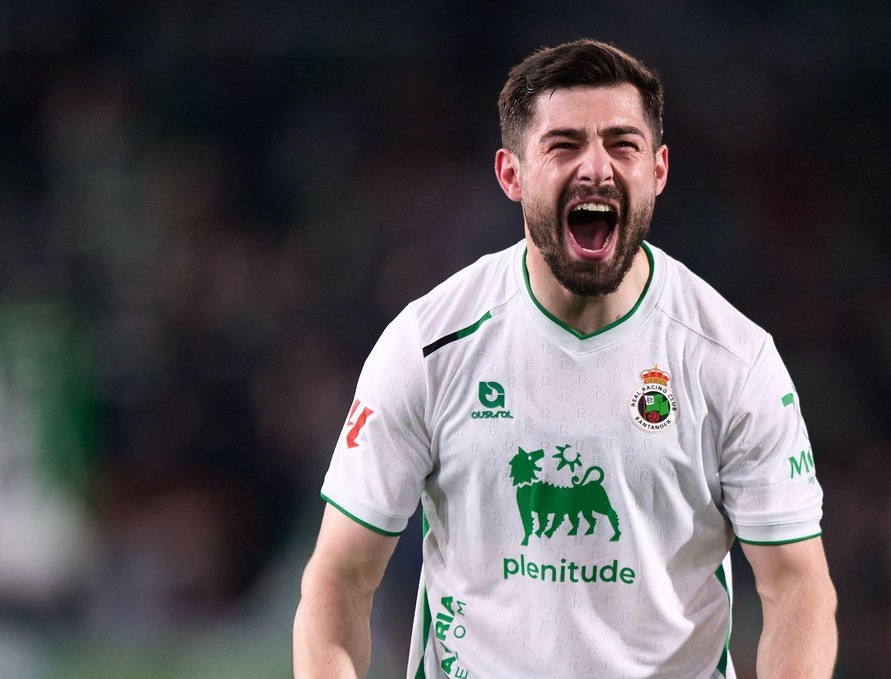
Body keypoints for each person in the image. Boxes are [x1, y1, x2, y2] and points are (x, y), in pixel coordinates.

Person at [293, 39, 837, 679]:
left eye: (623, 145)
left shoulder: (733, 361)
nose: (597, 168)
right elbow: (340, 578)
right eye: (565, 144)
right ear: (512, 175)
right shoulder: (429, 346)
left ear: (658, 170)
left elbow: (797, 587)